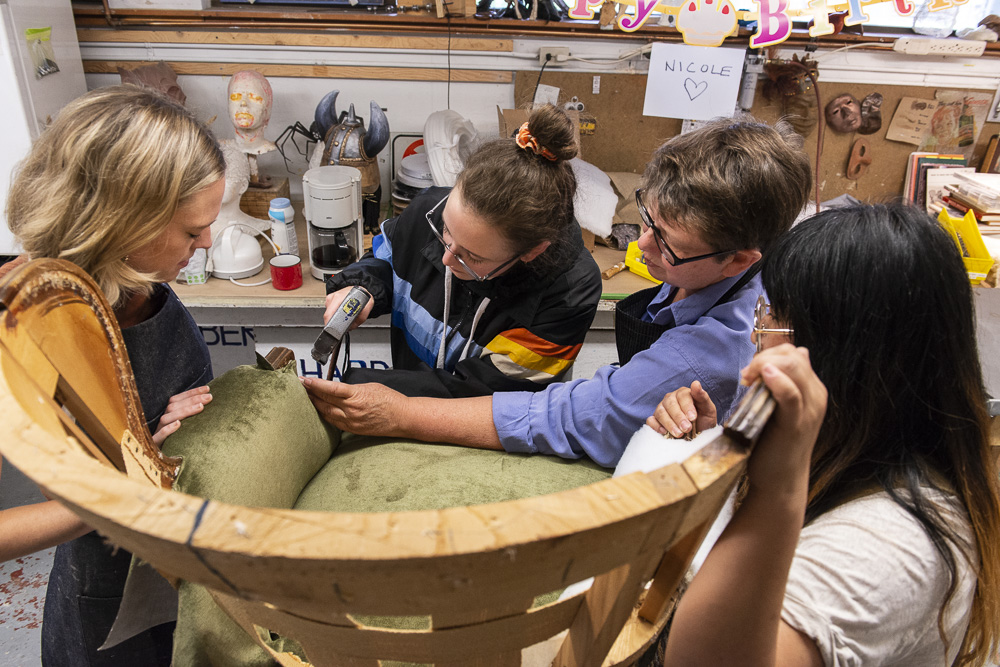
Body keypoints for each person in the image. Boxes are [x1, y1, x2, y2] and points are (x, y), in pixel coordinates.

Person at [303, 116, 812, 466]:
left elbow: (571, 415)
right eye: (647, 218)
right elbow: (391, 250)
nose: (644, 246)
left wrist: (396, 406)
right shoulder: (442, 213)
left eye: (671, 245)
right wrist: (365, 282)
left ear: (742, 260)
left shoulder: (712, 350)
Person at [651, 203, 1000, 666]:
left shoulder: (888, 549)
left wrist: (776, 492)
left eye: (773, 315)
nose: (760, 334)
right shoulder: (874, 458)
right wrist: (721, 453)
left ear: (837, 356)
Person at [2, 85, 227, 666]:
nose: (205, 244)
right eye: (190, 230)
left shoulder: (143, 290)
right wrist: (127, 487)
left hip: (175, 574)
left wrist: (180, 435)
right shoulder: (22, 327)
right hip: (102, 597)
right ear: (122, 221)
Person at [321, 103, 603, 398]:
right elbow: (386, 258)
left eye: (473, 257)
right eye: (445, 232)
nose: (445, 258)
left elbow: (478, 395)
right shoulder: (429, 209)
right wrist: (362, 287)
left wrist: (357, 386)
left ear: (531, 252)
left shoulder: (570, 294)